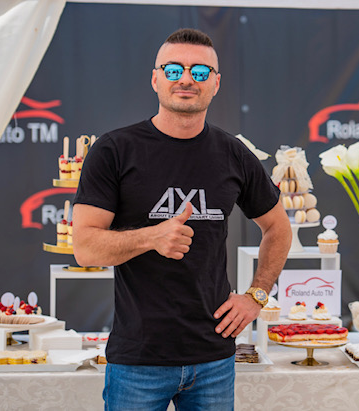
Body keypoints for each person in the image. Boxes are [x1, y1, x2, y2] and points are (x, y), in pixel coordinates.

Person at [72, 28, 292, 410]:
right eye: (174, 70)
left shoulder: (234, 154)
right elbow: (85, 248)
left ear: (216, 83)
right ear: (155, 78)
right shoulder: (114, 150)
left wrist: (256, 296)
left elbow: (279, 228)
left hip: (213, 360)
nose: (187, 79)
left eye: (200, 71)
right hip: (137, 360)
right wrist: (151, 237)